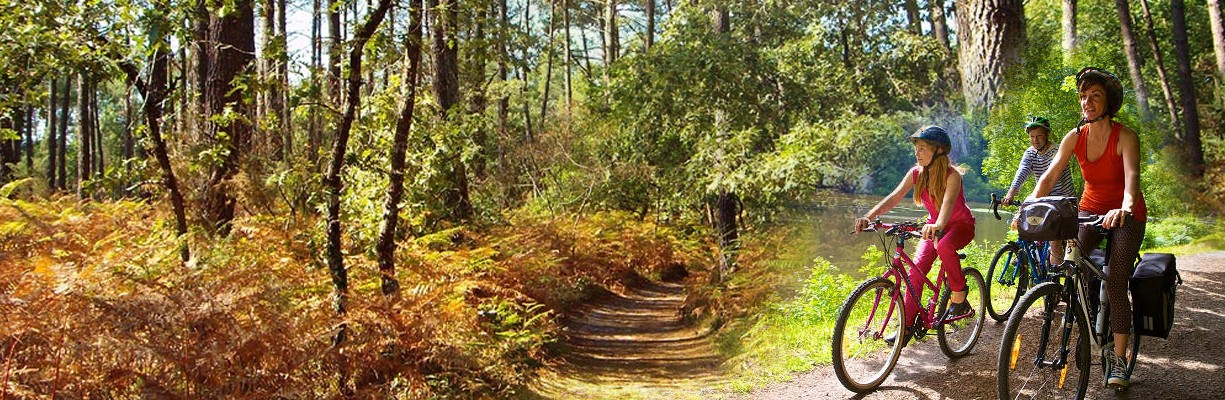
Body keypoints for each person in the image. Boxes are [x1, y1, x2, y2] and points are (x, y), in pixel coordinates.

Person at [1028, 67, 1146, 389]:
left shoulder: (1125, 136)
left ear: (1108, 102)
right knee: (1072, 264)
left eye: (1095, 95)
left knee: (1117, 277)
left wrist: (1124, 206)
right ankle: (1088, 321)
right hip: (1090, 210)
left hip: (1127, 214)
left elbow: (1131, 180)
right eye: (1083, 96)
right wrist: (1030, 204)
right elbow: (1049, 176)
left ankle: (1118, 359)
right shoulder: (1075, 137)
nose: (1087, 102)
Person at [853, 126, 976, 342]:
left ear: (938, 150)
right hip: (933, 226)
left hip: (959, 226)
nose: (916, 154)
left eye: (922, 149)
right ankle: (906, 327)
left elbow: (946, 209)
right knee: (915, 274)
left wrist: (937, 225)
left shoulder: (952, 176)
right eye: (916, 149)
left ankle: (959, 295)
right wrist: (869, 216)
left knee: (944, 245)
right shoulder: (916, 173)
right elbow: (894, 197)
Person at [1003, 116, 1077, 265]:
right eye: (1032, 137)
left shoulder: (1056, 151)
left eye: (1039, 136)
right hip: (1044, 200)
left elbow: (1049, 180)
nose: (1035, 140)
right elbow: (1022, 173)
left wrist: (1030, 201)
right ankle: (1034, 258)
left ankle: (1058, 283)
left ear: (1047, 134)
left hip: (1063, 203)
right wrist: (1010, 194)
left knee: (1059, 244)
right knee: (1030, 225)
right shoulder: (1030, 153)